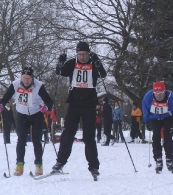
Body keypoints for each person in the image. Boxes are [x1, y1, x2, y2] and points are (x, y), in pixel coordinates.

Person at [52, 41, 106, 179]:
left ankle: (93, 166)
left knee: (89, 137)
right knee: (68, 133)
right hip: (74, 103)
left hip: (89, 104)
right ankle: (60, 162)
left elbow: (103, 74)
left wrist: (98, 61)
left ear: (88, 53)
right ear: (77, 53)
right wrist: (60, 61)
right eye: (80, 54)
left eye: (84, 54)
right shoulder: (72, 63)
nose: (82, 57)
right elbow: (60, 72)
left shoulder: (93, 63)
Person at [0, 67, 53, 176]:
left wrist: (46, 108)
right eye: (24, 78)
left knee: (37, 139)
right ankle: (19, 165)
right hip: (22, 114)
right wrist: (1, 104)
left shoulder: (38, 85)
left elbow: (49, 102)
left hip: (36, 114)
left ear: (32, 77)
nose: (26, 81)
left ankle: (39, 165)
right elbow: (5, 98)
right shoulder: (15, 84)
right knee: (21, 139)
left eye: (28, 78)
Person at [142, 81, 173, 173]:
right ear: (153, 92)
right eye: (156, 93)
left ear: (164, 91)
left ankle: (169, 159)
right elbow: (145, 110)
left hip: (167, 117)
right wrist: (147, 122)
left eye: (161, 93)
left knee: (167, 135)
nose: (158, 95)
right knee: (156, 136)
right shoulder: (148, 97)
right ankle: (158, 158)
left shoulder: (171, 97)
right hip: (154, 117)